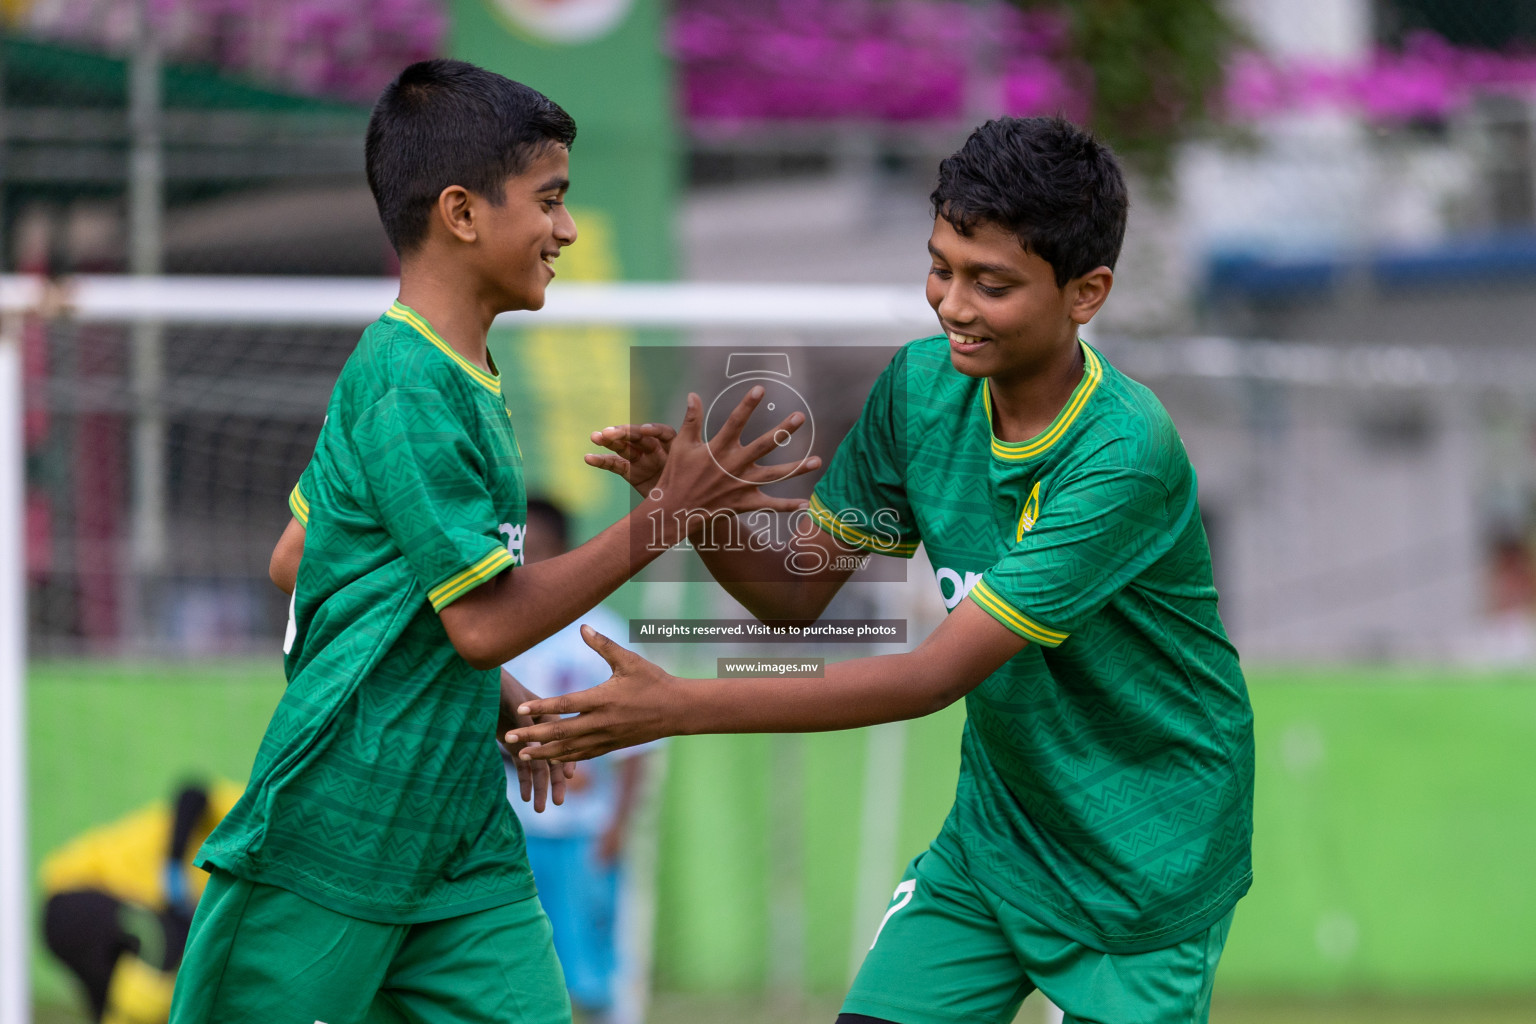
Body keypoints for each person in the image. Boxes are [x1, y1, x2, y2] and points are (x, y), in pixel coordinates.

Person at [510, 116, 1255, 1024]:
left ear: (1086, 292)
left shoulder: (1121, 456)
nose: (953, 303)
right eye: (942, 266)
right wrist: (693, 502)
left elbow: (930, 677)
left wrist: (680, 706)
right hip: (1002, 839)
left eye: (993, 283)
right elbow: (793, 593)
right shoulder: (920, 390)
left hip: (1149, 855)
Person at [169, 59, 809, 1024]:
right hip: (338, 831)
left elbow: (302, 559)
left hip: (458, 844)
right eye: (549, 200)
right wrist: (669, 514)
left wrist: (504, 706)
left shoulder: (461, 372)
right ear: (463, 213)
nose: (568, 229)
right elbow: (476, 621)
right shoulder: (408, 380)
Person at [502, 498, 654, 1023]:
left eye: (540, 552)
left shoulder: (603, 634)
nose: (528, 566)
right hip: (510, 829)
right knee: (520, 964)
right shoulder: (495, 630)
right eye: (520, 554)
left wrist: (618, 823)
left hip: (582, 831)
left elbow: (639, 746)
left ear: (565, 552)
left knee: (590, 965)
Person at [41, 780, 241, 1024]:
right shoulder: (247, 815)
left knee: (117, 1007)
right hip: (75, 898)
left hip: (94, 920)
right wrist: (174, 872)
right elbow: (193, 793)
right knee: (165, 947)